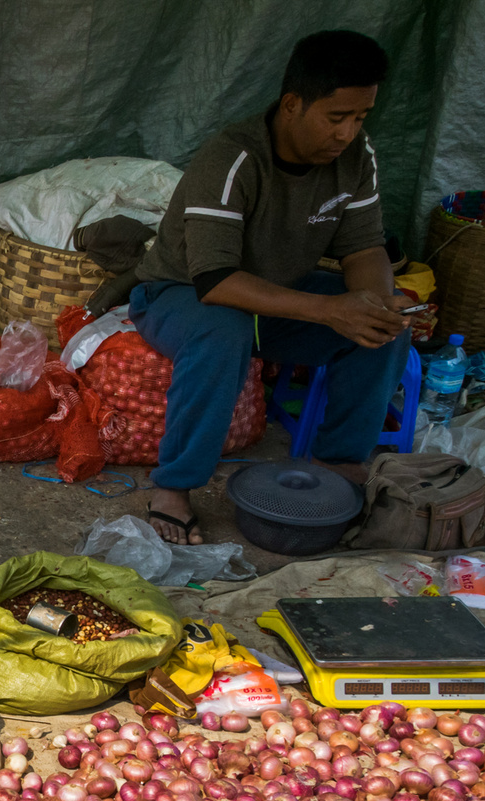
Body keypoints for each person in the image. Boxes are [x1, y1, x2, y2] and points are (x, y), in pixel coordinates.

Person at [131, 29, 413, 545]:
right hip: (180, 294)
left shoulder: (355, 158)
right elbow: (214, 280)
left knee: (382, 331)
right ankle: (173, 488)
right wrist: (330, 310)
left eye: (360, 118)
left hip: (278, 293)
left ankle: (340, 465)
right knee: (225, 331)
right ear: (291, 105)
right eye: (336, 117)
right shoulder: (232, 159)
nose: (348, 133)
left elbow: (364, 247)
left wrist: (375, 302)